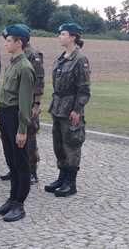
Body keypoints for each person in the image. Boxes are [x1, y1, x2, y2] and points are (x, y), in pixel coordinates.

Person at [0, 24, 35, 222]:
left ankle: (19, 204)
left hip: (17, 118)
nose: (5, 44)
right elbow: (6, 95)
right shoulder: (12, 64)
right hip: (6, 115)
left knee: (21, 163)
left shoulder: (25, 67)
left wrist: (23, 129)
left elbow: (25, 102)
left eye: (9, 40)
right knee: (11, 162)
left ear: (19, 43)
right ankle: (12, 198)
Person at [44, 23, 91, 197]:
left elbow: (84, 89)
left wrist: (77, 109)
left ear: (73, 37)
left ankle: (71, 183)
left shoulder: (80, 59)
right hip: (58, 107)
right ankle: (62, 177)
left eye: (63, 34)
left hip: (71, 108)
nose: (60, 36)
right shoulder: (62, 57)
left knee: (71, 144)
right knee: (59, 145)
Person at [0, 24, 45, 184]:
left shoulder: (32, 55)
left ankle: (31, 171)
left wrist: (36, 104)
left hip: (27, 103)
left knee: (28, 137)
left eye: (10, 39)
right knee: (13, 144)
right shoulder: (16, 58)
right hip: (14, 105)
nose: (6, 42)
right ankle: (15, 170)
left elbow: (38, 81)